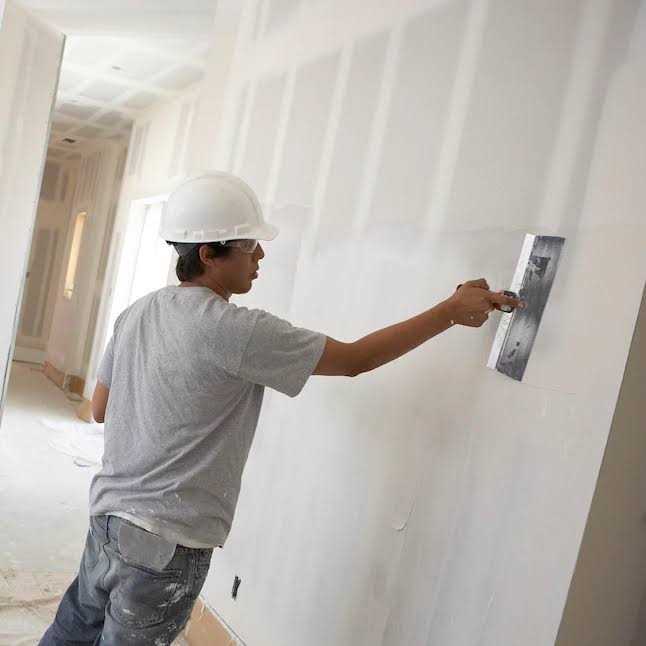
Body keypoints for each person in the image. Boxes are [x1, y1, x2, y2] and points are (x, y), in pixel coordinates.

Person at [40, 172, 521, 645]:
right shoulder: (235, 330)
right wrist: (449, 311)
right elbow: (356, 360)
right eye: (250, 245)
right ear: (208, 253)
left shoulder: (138, 311)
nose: (261, 256)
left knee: (69, 635)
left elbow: (100, 408)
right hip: (166, 541)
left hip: (107, 520)